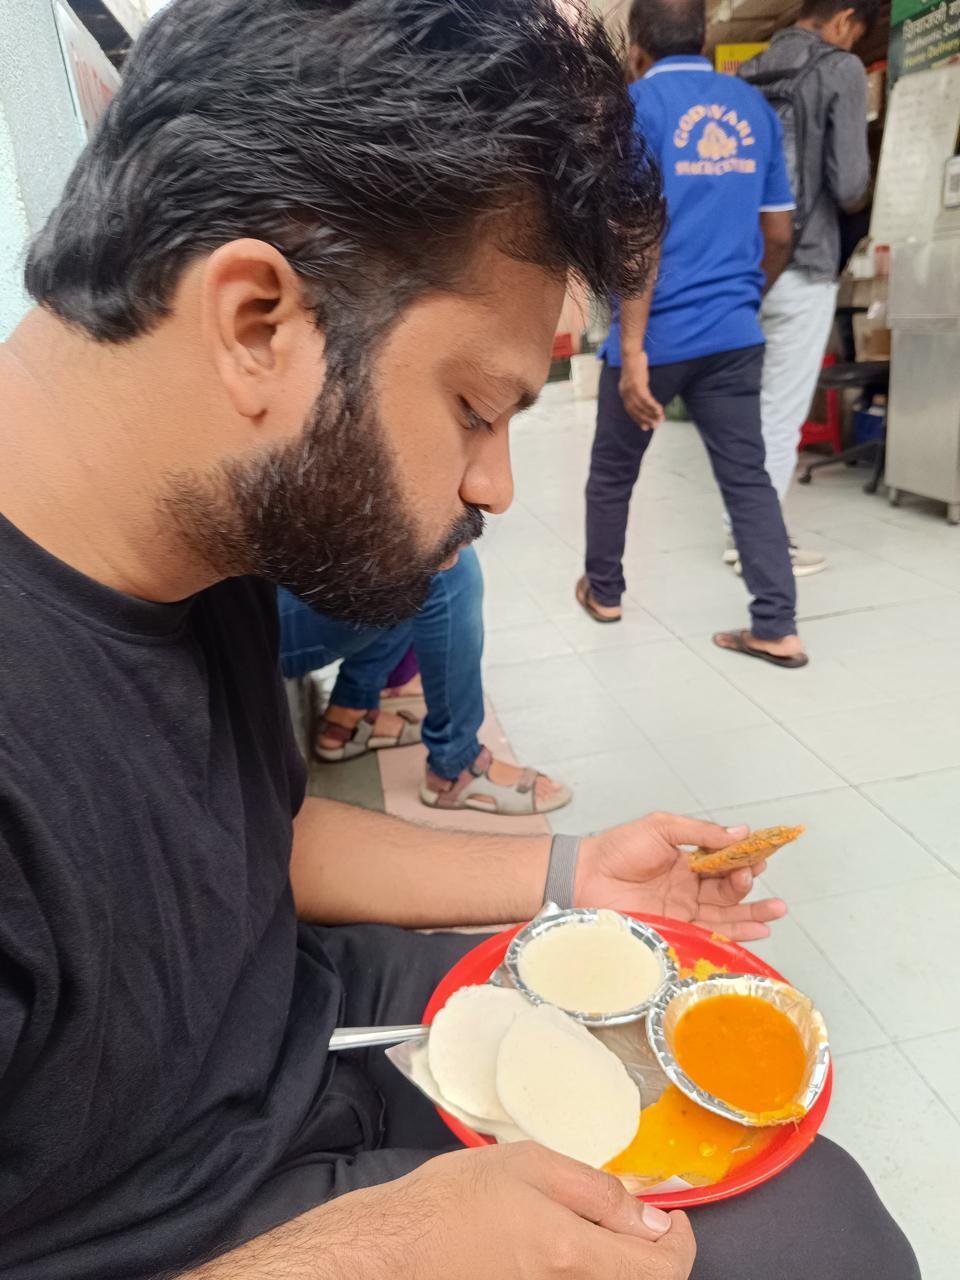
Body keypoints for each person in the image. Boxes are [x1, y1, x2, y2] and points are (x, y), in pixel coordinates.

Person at [0, 2, 918, 1279]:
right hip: (163, 1221)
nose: (494, 485)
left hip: (286, 1033)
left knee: (783, 1175)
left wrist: (572, 874)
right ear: (258, 321)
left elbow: (247, 842)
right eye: (475, 407)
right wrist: (381, 1248)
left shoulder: (195, 529)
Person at [579, 0, 808, 670]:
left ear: (635, 48)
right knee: (747, 480)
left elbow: (637, 235)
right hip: (733, 336)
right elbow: (779, 234)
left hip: (654, 338)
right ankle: (777, 626)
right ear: (703, 39)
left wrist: (632, 352)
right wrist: (742, 300)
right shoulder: (753, 109)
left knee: (612, 473)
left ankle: (605, 592)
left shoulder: (634, 110)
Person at [733, 0, 878, 576]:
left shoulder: (746, 73)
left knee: (744, 407)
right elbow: (849, 184)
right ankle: (758, 543)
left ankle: (740, 529)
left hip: (741, 267)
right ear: (843, 19)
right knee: (780, 410)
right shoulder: (839, 68)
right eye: (856, 34)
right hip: (805, 260)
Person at [278, 551, 572, 815]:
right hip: (258, 624)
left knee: (417, 536)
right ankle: (456, 768)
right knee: (440, 564)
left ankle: (349, 717)